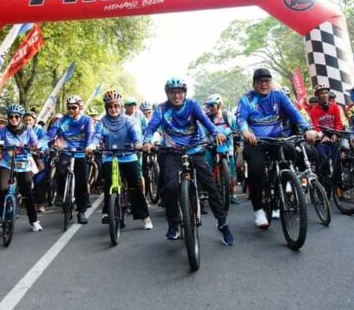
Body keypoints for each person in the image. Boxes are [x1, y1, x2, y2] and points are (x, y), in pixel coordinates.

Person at [142, 78, 234, 245]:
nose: (176, 95)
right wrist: (147, 140)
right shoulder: (161, 110)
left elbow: (207, 122)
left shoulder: (192, 105)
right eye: (172, 92)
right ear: (167, 94)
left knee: (211, 186)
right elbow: (151, 127)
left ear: (184, 93)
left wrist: (216, 133)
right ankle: (173, 224)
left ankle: (223, 224)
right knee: (169, 187)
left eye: (179, 92)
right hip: (172, 152)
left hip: (195, 149)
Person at [236, 68, 320, 228]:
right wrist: (246, 132)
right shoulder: (247, 99)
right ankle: (259, 209)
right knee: (255, 170)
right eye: (260, 81)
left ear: (271, 82)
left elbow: (295, 114)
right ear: (254, 83)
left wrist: (308, 129)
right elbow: (241, 119)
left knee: (291, 151)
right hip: (256, 142)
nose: (264, 84)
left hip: (277, 139)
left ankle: (288, 180)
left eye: (267, 80)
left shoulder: (279, 95)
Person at [92, 90, 152, 229]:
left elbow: (134, 135)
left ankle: (144, 217)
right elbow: (96, 136)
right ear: (106, 108)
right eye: (110, 106)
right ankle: (107, 212)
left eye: (116, 106)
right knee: (108, 183)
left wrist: (137, 143)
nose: (113, 109)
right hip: (109, 156)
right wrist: (92, 144)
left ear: (120, 107)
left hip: (128, 155)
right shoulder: (102, 122)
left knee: (135, 187)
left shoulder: (128, 120)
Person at [0, 104, 43, 231]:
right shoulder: (3, 130)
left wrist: (35, 146)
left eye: (17, 117)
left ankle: (34, 221)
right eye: (11, 116)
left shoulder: (28, 130)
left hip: (23, 164)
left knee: (28, 194)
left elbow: (35, 142)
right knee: (2, 188)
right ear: (8, 118)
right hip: (7, 162)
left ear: (21, 118)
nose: (14, 119)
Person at [47, 96, 93, 224]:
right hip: (66, 151)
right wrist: (42, 144)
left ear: (80, 108)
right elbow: (51, 134)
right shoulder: (62, 120)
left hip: (80, 152)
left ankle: (81, 212)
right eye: (69, 108)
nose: (71, 110)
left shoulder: (87, 120)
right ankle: (61, 193)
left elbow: (89, 135)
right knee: (60, 171)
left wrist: (89, 146)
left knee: (82, 181)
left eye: (74, 108)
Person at [204, 94, 240, 205]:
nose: (210, 108)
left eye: (212, 105)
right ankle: (210, 192)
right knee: (207, 169)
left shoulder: (228, 116)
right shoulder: (207, 118)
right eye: (209, 106)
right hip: (211, 146)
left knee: (232, 171)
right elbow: (203, 131)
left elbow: (237, 128)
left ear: (219, 105)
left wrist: (229, 133)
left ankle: (232, 194)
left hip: (227, 146)